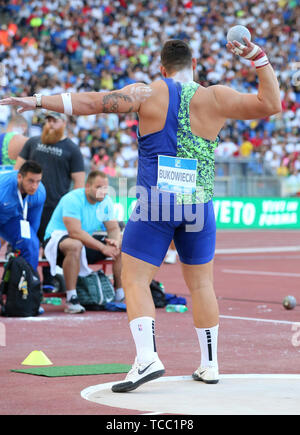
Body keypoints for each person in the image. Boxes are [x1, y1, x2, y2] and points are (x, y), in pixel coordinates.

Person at [0, 37, 281, 390]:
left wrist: (37, 100)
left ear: (162, 69)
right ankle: (210, 365)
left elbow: (91, 102)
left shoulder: (146, 93)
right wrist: (258, 56)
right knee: (202, 285)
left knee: (134, 278)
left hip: (157, 202)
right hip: (198, 202)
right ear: (193, 65)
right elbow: (271, 103)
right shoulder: (216, 96)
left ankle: (147, 358)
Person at [14, 111, 85, 288]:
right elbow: (17, 171)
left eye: (55, 121)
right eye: (48, 121)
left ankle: (48, 282)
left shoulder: (72, 149)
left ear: (64, 123)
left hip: (54, 207)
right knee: (23, 242)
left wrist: (71, 210)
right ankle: (20, 280)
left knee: (48, 246)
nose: (50, 124)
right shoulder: (32, 142)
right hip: (27, 204)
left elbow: (79, 183)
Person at [43, 170, 124, 314]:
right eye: (99, 187)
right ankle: (71, 297)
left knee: (121, 245)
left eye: (105, 188)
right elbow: (74, 232)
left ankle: (120, 294)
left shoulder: (106, 201)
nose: (103, 192)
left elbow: (113, 227)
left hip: (84, 240)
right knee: (75, 245)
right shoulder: (72, 199)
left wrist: (115, 241)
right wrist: (102, 248)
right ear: (87, 186)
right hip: (57, 239)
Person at [0, 160, 45, 270]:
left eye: (38, 181)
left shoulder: (40, 193)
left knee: (31, 243)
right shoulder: (3, 188)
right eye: (30, 181)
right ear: (19, 177)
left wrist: (25, 245)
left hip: (10, 218)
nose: (34, 186)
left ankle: (26, 282)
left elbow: (33, 223)